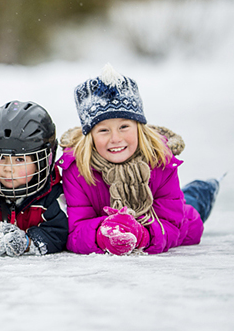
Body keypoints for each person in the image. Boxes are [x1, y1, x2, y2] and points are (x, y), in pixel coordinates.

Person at [60, 64, 220, 255]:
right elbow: (76, 231)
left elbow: (171, 224)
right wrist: (103, 234)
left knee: (193, 214)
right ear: (90, 136)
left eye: (124, 126)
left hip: (174, 219)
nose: (115, 138)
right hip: (118, 224)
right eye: (103, 130)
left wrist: (142, 235)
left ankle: (205, 190)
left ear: (138, 127)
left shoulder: (160, 161)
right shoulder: (77, 170)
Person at [0, 101, 68, 257]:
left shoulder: (53, 196)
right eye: (0, 157)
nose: (8, 168)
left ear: (45, 161)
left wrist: (27, 242)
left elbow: (58, 234)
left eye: (19, 160)